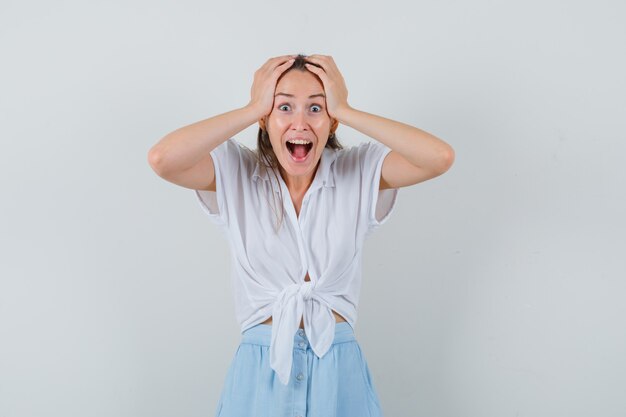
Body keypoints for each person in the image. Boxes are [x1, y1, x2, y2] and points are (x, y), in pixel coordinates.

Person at [148, 54, 454, 417]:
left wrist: (346, 108)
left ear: (331, 121)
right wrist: (251, 108)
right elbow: (162, 158)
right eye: (284, 107)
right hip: (260, 371)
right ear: (265, 118)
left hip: (338, 370)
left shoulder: (358, 170)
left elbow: (438, 156)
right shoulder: (235, 171)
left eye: (315, 108)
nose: (300, 123)